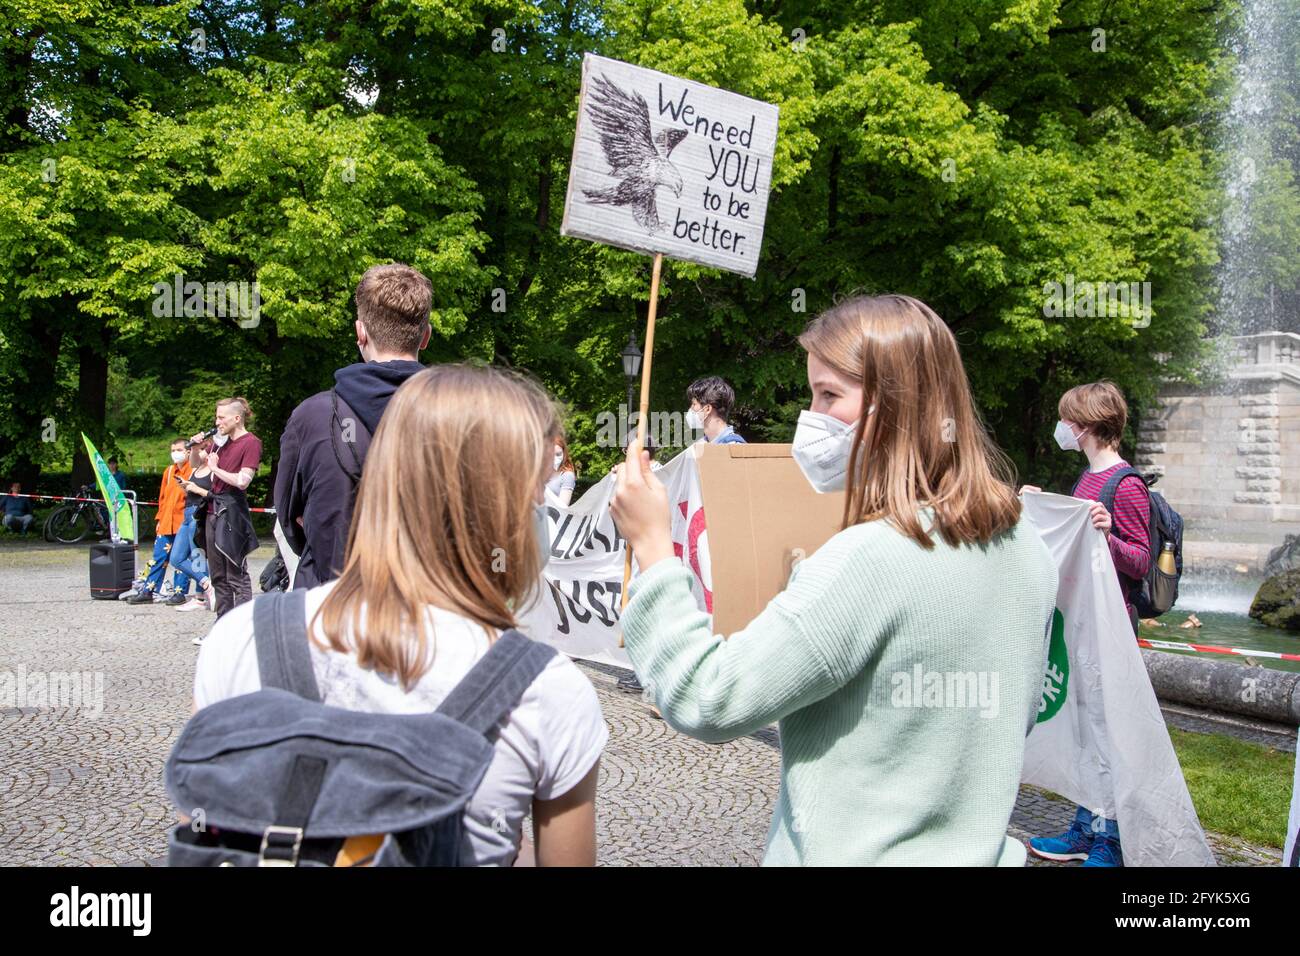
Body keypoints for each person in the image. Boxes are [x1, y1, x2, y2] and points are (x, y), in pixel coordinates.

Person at [609, 294, 1058, 865]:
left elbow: (709, 697)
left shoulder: (872, 558)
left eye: (829, 395)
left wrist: (651, 546)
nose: (812, 416)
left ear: (897, 405)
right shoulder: (1026, 548)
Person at [193, 364, 607, 866]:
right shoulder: (546, 693)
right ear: (505, 508)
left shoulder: (240, 640)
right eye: (536, 493)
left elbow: (204, 836)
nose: (542, 510)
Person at [1022, 380, 1151, 869]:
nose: (1062, 428)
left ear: (1088, 425)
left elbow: (1139, 561)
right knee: (1085, 729)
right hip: (1081, 626)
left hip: (1111, 628)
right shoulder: (1085, 481)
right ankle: (1085, 826)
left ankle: (1111, 840)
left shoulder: (1127, 484)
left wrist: (1108, 533)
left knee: (1109, 732)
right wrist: (1038, 507)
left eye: (1067, 420)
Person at [275, 263, 432, 590]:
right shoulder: (469, 418)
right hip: (431, 614)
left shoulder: (311, 417)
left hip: (331, 610)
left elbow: (290, 519)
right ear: (426, 335)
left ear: (360, 332)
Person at [197, 397, 261, 623]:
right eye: (217, 417)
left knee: (236, 574)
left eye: (221, 417)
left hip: (233, 512)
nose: (217, 421)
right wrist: (199, 452)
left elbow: (243, 481)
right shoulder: (221, 443)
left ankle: (243, 629)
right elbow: (201, 469)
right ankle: (222, 627)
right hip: (213, 511)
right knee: (218, 576)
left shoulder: (251, 442)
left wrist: (215, 467)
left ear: (237, 417)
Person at [127, 439, 194, 606]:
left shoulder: (192, 470)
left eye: (179, 449)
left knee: (180, 559)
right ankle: (148, 591)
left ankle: (179, 593)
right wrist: (159, 519)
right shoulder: (169, 471)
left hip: (183, 522)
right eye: (173, 450)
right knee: (158, 558)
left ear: (188, 452)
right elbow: (162, 498)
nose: (175, 453)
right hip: (166, 521)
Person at [171, 439, 215, 615]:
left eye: (203, 449)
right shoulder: (195, 469)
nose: (199, 453)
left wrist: (195, 488)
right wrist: (185, 487)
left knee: (198, 555)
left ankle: (201, 595)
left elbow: (213, 495)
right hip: (187, 513)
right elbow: (190, 492)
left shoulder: (213, 471)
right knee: (176, 558)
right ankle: (206, 584)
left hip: (199, 514)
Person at [685, 375, 746, 445]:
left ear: (707, 409)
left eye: (694, 404)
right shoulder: (702, 445)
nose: (690, 409)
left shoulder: (734, 448)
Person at [547, 435, 578, 506]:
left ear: (564, 454)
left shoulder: (567, 475)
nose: (554, 459)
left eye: (558, 454)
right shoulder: (541, 473)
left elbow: (562, 506)